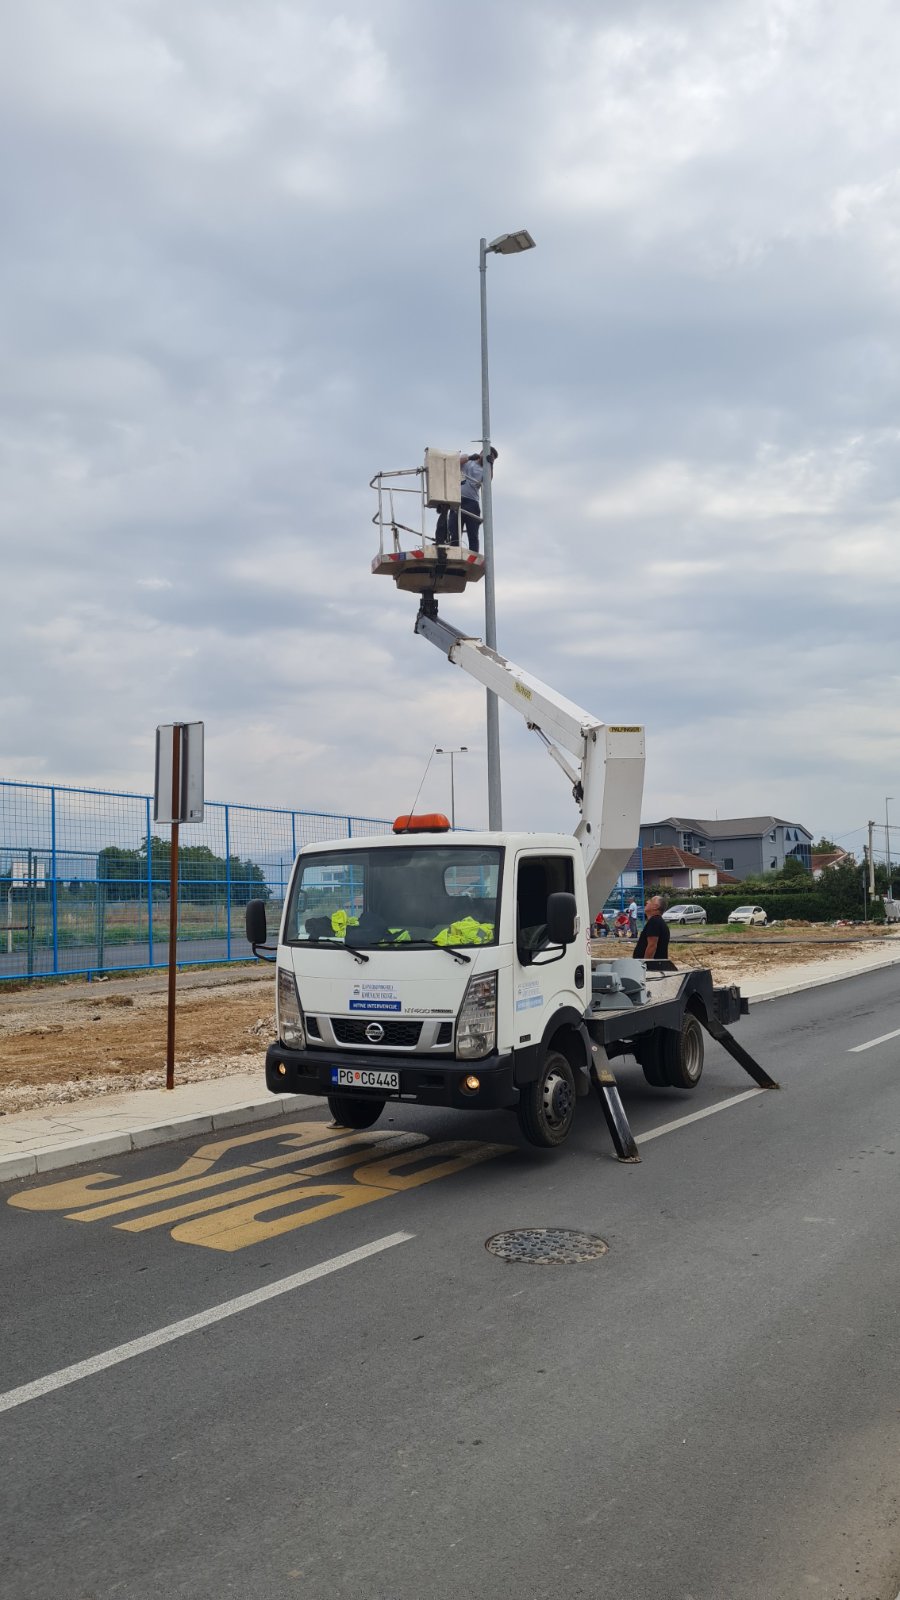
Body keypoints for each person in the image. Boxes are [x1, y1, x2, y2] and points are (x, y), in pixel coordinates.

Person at [437, 447, 497, 554]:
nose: (488, 458)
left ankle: (473, 554)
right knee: (454, 530)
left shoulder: (485, 471)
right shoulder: (468, 461)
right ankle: (454, 552)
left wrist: (491, 465)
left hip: (472, 503)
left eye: (492, 458)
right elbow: (455, 462)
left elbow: (488, 482)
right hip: (458, 500)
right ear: (482, 452)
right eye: (488, 455)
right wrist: (470, 457)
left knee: (473, 534)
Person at [633, 895, 671, 961]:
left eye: (650, 901)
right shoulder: (657, 921)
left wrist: (646, 964)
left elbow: (652, 945)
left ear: (655, 906)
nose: (647, 902)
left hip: (652, 968)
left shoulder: (654, 921)